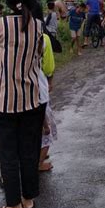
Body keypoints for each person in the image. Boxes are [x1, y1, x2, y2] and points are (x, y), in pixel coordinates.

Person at [0, 0, 45, 208]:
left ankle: (13, 207)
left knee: (9, 154)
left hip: (5, 100)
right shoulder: (38, 26)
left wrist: (6, 61)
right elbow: (38, 56)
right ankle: (28, 201)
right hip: (32, 99)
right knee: (29, 151)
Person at [39, 33, 57, 172]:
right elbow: (49, 66)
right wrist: (50, 81)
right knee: (46, 131)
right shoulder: (42, 38)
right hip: (39, 92)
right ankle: (39, 163)